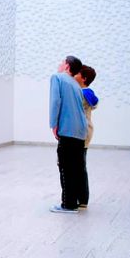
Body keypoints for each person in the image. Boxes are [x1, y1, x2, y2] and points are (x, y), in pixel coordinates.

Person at [49, 55, 88, 214]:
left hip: (68, 129)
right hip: (80, 131)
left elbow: (55, 102)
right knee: (77, 167)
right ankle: (77, 201)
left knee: (65, 167)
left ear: (67, 66)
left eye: (62, 61)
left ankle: (68, 204)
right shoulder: (76, 85)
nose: (59, 63)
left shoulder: (57, 78)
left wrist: (53, 124)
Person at [74, 65, 98, 209]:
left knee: (80, 166)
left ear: (83, 78)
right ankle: (81, 198)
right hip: (83, 131)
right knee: (80, 165)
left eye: (77, 73)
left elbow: (95, 101)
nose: (74, 74)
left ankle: (82, 199)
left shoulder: (85, 92)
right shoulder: (81, 91)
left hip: (84, 132)